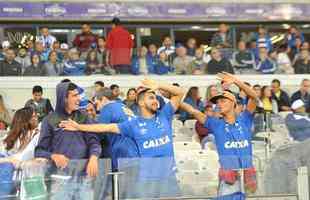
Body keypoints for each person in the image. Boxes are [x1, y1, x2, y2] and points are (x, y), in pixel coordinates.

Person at [60, 79, 184, 198]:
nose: (155, 100)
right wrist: (78, 127)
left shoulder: (164, 116)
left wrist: (158, 85)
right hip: (147, 181)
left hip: (169, 179)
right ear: (141, 102)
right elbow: (106, 127)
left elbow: (180, 92)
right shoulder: (133, 124)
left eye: (156, 98)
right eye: (151, 98)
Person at [179, 72, 258, 199]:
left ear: (233, 103)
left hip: (248, 177)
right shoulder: (215, 124)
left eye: (222, 101)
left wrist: (236, 81)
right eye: (217, 102)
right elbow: (193, 111)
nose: (219, 104)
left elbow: (254, 97)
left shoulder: (245, 120)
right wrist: (174, 99)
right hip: (229, 179)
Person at [34, 82, 101, 200]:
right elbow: (39, 151)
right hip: (59, 180)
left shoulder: (84, 117)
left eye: (78, 95)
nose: (79, 99)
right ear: (64, 98)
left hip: (84, 178)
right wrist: (54, 156)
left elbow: (94, 142)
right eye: (74, 96)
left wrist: (94, 157)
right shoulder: (49, 120)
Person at [92, 87, 139, 171]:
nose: (97, 108)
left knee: (121, 183)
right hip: (136, 153)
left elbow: (99, 134)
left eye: (97, 104)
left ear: (103, 99)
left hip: (122, 154)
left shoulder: (108, 108)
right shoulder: (124, 106)